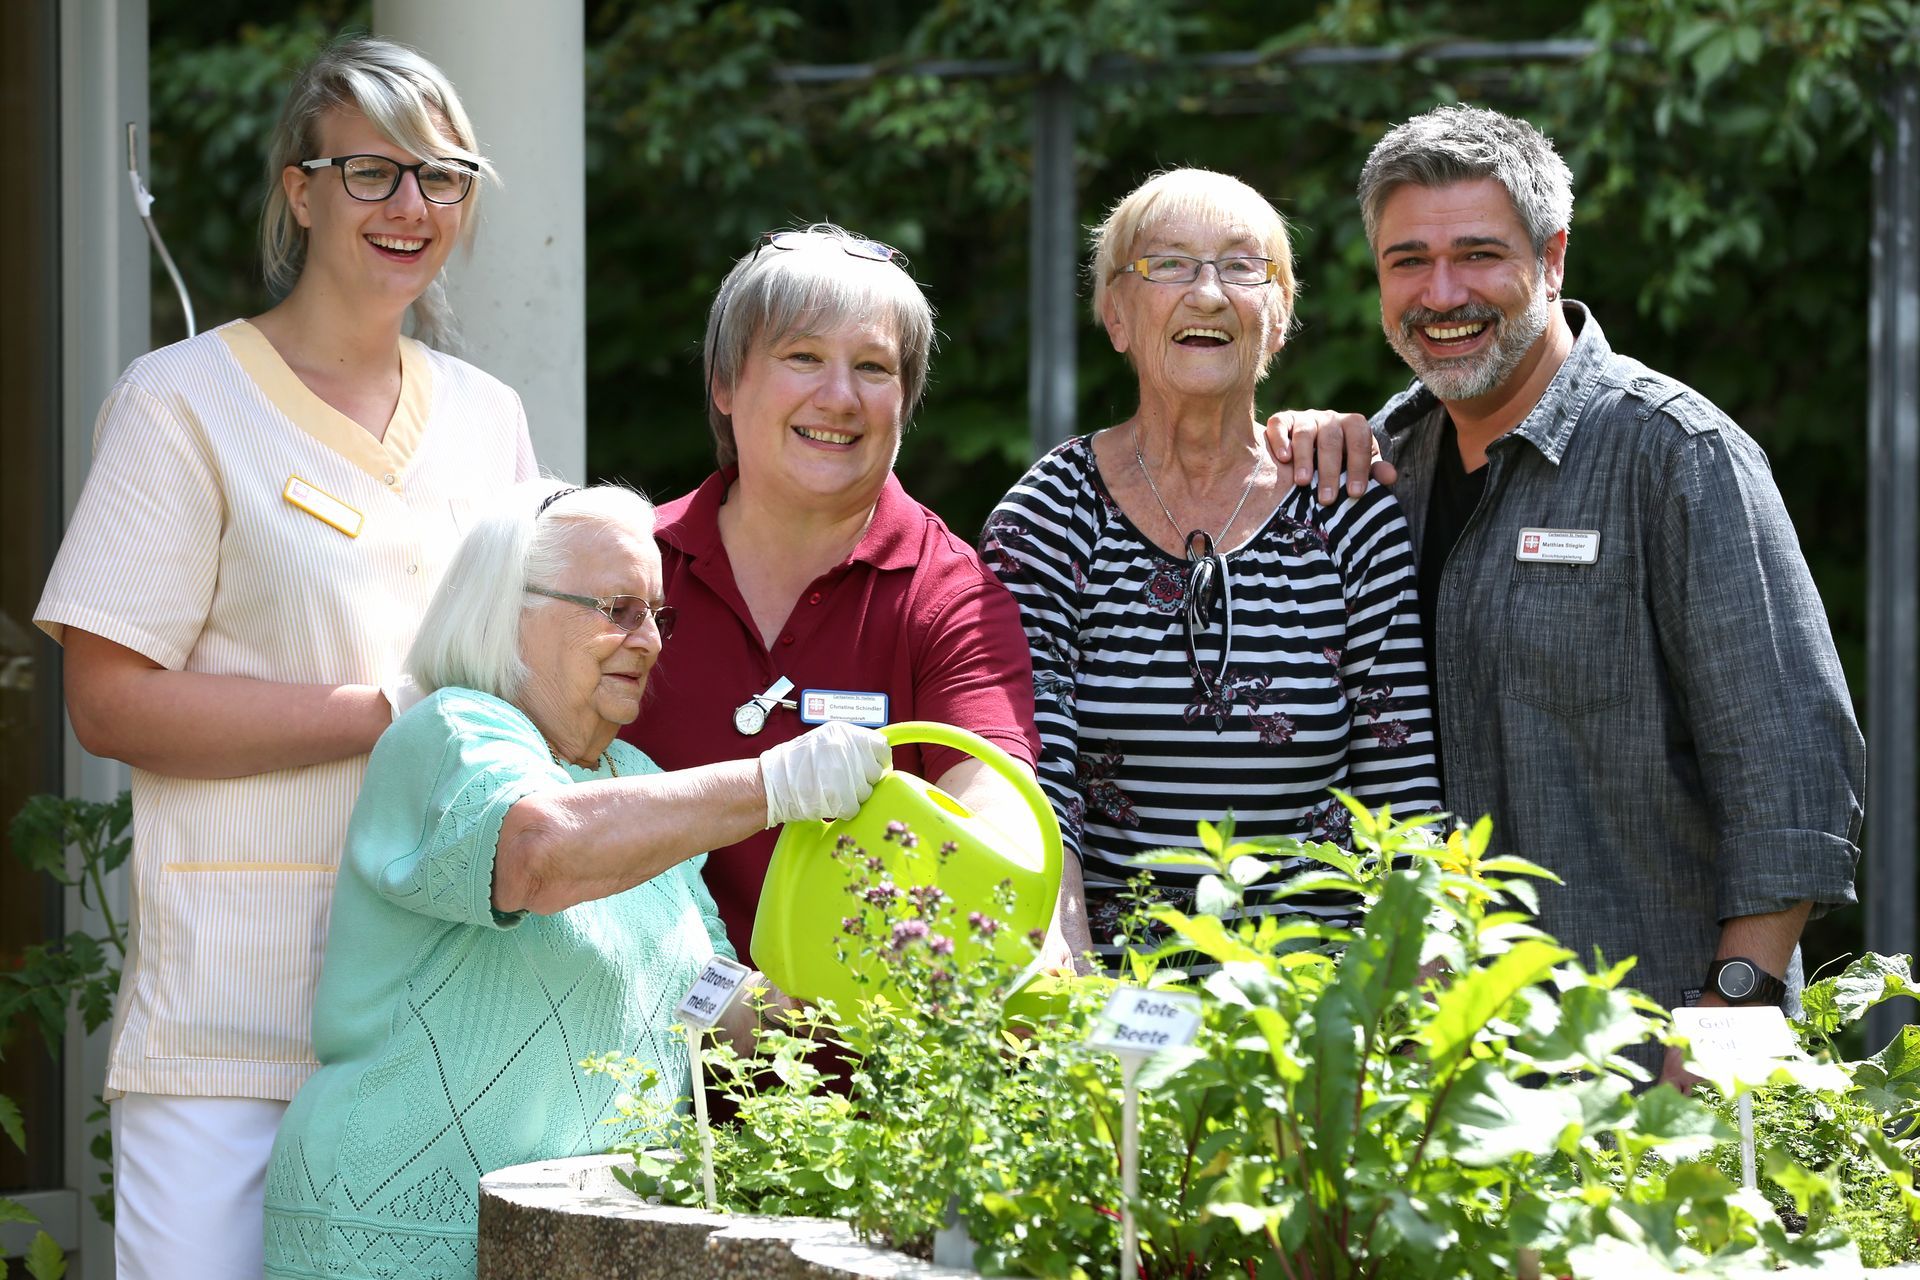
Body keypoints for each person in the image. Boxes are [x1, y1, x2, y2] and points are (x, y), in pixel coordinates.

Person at [33, 36, 536, 1278]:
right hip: (234, 1024)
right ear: (299, 190)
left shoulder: (490, 418)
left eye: (444, 175)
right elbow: (108, 701)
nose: (411, 207)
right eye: (371, 171)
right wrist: (380, 716)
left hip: (435, 1020)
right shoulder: (180, 402)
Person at [1273, 104, 1863, 1083]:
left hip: (1647, 1067)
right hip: (1434, 1079)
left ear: (1552, 256)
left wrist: (1727, 1026)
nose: (1442, 292)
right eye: (1408, 260)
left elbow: (1792, 773)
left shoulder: (1674, 455)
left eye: (1478, 255)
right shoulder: (1378, 467)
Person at [261, 481, 887, 1278]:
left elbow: (709, 996)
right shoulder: (452, 730)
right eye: (619, 608)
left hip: (575, 1246)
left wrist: (872, 1000)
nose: (652, 641)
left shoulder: (631, 775)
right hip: (396, 1230)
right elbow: (538, 852)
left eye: (659, 615)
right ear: (507, 610)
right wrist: (772, 786)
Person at [981, 169, 1441, 968]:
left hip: (1310, 1003)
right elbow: (1035, 787)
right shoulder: (1050, 517)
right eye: (1167, 265)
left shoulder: (1346, 507)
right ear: (1117, 317)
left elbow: (1400, 795)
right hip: (1115, 996)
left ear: (1279, 318)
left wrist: (1396, 1021)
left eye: (1241, 266)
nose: (1206, 294)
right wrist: (1074, 996)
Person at [619, 224, 1093, 968]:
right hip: (629, 1055)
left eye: (874, 368)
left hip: (864, 1063)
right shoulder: (626, 569)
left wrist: (1010, 917)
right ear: (724, 382)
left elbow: (994, 816)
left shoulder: (953, 598)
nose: (839, 397)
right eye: (803, 356)